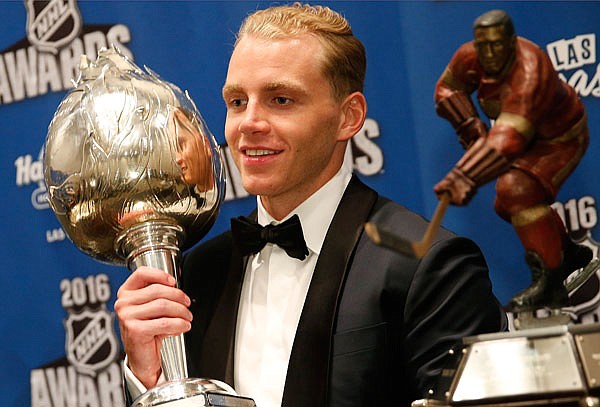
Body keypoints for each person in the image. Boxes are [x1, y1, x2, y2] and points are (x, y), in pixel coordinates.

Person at [115, 3, 507, 406]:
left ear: (348, 117)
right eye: (236, 101)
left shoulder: (429, 266)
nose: (249, 122)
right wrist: (150, 379)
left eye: (281, 99)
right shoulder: (195, 277)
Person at [433, 9, 592, 313]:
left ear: (511, 42)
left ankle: (551, 283)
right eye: (483, 45)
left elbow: (508, 140)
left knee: (516, 192)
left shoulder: (529, 69)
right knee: (508, 202)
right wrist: (470, 125)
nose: (488, 53)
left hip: (559, 139)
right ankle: (566, 254)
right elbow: (447, 89)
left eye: (496, 45)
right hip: (523, 137)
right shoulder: (470, 57)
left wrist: (464, 176)